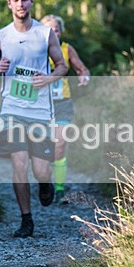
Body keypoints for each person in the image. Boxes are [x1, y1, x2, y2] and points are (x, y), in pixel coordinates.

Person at [0, 0, 67, 238]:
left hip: (40, 112)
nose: (21, 4)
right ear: (9, 4)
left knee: (40, 170)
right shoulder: (1, 36)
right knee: (19, 165)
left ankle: (46, 185)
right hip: (11, 109)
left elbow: (62, 66)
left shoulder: (45, 33)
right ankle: (26, 220)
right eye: (16, 0)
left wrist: (48, 78)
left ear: (31, 2)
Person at [40, 14, 90, 204]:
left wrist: (85, 76)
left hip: (62, 103)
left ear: (60, 32)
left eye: (56, 30)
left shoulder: (66, 49)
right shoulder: (35, 50)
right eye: (49, 30)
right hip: (40, 105)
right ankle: (45, 183)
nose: (53, 33)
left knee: (60, 145)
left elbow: (82, 69)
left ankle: (60, 188)